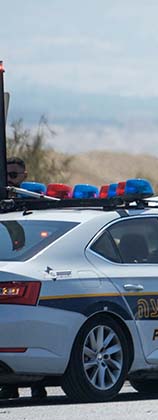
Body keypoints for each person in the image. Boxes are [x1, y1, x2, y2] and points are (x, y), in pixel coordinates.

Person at [0, 157, 46, 401]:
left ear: (24, 176)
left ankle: (38, 385)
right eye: (6, 175)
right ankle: (11, 385)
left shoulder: (34, 204)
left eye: (14, 175)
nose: (9, 180)